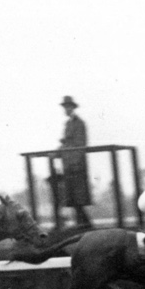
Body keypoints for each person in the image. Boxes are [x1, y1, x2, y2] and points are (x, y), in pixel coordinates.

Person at [57, 96, 92, 227]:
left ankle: (84, 224)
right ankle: (84, 224)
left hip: (76, 165)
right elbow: (66, 142)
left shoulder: (79, 123)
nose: (66, 110)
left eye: (68, 107)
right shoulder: (68, 124)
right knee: (72, 197)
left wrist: (75, 162)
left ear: (73, 108)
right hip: (68, 164)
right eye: (65, 107)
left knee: (79, 196)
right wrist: (57, 152)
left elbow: (80, 144)